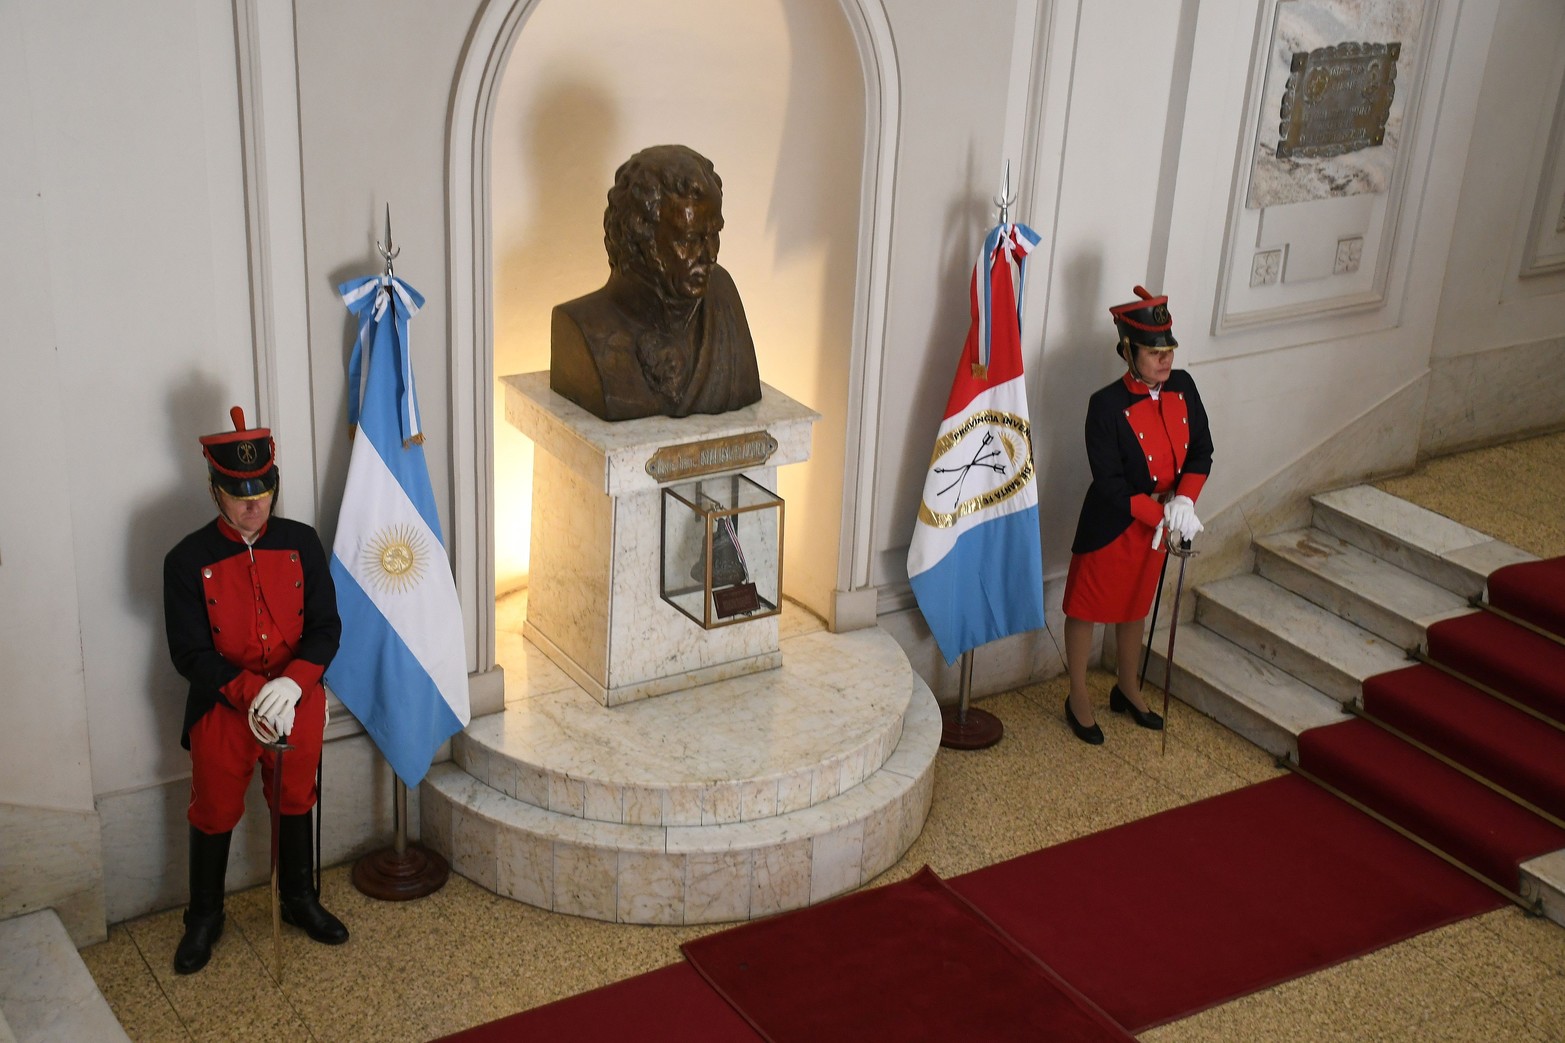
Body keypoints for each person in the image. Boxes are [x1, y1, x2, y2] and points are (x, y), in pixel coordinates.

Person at [162, 406, 348, 973]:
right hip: (224, 707)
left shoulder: (302, 542)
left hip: (298, 700)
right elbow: (188, 654)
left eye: (264, 491)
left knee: (295, 799)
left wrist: (292, 686)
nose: (255, 504)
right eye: (240, 494)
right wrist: (249, 692)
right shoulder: (186, 560)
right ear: (215, 488)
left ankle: (299, 899)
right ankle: (204, 917)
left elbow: (326, 627)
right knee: (214, 809)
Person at [1060, 286, 1213, 744]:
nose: (1164, 360)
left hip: (1160, 527)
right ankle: (1078, 695)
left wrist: (1184, 501)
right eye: (1153, 351)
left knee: (1134, 607)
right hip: (1115, 525)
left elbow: (1201, 451)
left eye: (1168, 350)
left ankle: (1128, 687)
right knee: (1087, 609)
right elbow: (1109, 484)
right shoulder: (1105, 405)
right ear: (1128, 351)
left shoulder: (1183, 387)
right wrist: (1161, 515)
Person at [549, 144, 764, 421]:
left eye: (713, 235)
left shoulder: (722, 298)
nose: (709, 255)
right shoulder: (583, 328)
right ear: (640, 236)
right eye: (689, 240)